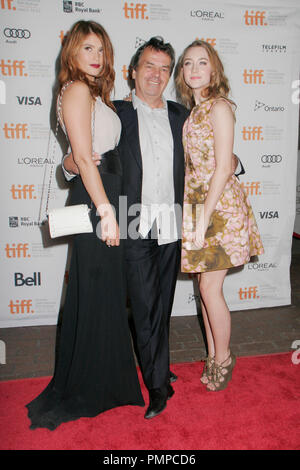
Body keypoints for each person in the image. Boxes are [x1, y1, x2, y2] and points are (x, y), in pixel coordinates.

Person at [63, 37, 242, 418]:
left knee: (161, 305)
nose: (155, 75)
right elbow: (78, 151)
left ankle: (158, 365)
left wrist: (234, 164)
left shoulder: (183, 115)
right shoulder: (116, 112)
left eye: (164, 68)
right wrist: (71, 164)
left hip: (174, 223)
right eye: (148, 66)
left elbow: (213, 155)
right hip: (133, 221)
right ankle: (158, 386)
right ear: (133, 71)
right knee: (144, 306)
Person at [26, 20, 144, 431]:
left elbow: (77, 160)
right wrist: (107, 211)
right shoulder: (77, 89)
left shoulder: (93, 92)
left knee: (105, 293)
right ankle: (91, 387)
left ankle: (103, 381)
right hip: (100, 200)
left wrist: (74, 166)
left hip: (107, 193)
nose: (96, 57)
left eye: (101, 50)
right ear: (72, 53)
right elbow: (82, 156)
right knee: (96, 291)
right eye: (87, 49)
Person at [175, 40, 264, 391]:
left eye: (202, 62)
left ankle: (223, 358)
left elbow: (225, 166)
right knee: (204, 288)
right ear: (182, 73)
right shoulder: (194, 111)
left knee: (210, 288)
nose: (194, 69)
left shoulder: (220, 107)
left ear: (214, 70)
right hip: (201, 205)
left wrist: (202, 219)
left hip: (220, 209)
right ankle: (213, 354)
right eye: (187, 63)